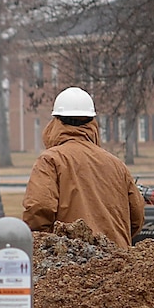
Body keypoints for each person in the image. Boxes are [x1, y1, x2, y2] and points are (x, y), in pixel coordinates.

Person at [21, 86, 145, 246]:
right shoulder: (116, 165)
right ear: (93, 123)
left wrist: (50, 247)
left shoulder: (50, 160)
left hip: (71, 264)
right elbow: (136, 216)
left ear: (56, 122)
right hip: (117, 262)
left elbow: (37, 211)